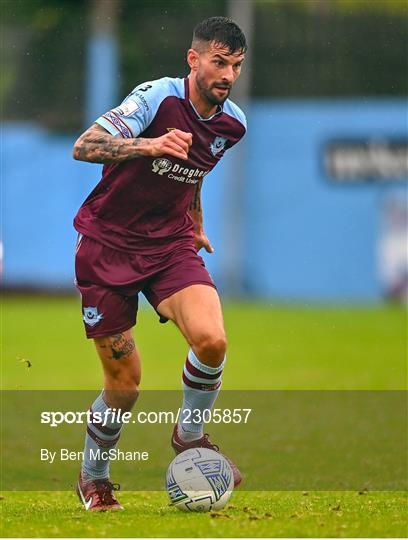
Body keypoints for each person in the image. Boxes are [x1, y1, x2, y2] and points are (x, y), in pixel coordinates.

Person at [72, 16, 247, 511]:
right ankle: (94, 476)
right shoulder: (156, 98)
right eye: (218, 62)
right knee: (124, 387)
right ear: (193, 60)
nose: (227, 74)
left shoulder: (233, 124)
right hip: (107, 248)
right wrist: (148, 143)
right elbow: (83, 145)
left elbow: (194, 171)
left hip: (169, 247)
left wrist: (194, 220)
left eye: (235, 65)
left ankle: (189, 436)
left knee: (212, 341)